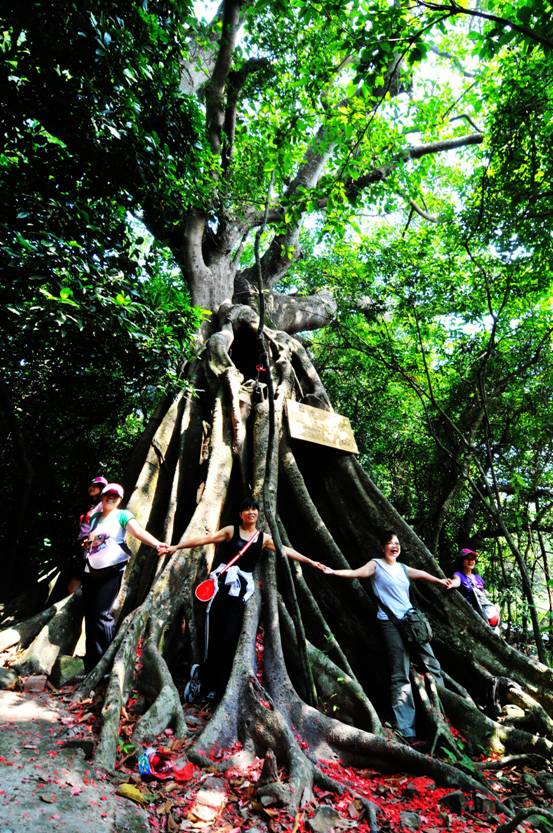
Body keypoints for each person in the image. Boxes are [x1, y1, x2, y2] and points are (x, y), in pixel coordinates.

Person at [161, 497, 322, 703]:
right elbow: (205, 539)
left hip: (241, 592)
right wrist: (176, 547)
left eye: (254, 509)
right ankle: (201, 679)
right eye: (246, 509)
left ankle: (218, 688)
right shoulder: (231, 531)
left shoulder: (263, 538)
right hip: (222, 588)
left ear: (258, 514)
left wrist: (309, 561)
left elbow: (285, 550)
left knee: (230, 639)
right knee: (215, 637)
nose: (251, 512)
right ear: (241, 514)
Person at [318, 530, 454, 748]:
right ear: (383, 547)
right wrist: (334, 572)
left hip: (412, 622)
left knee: (432, 664)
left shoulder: (402, 568)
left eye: (397, 543)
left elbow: (421, 574)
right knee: (401, 673)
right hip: (390, 623)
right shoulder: (376, 565)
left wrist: (440, 581)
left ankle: (445, 718)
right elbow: (356, 573)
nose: (394, 546)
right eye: (390, 543)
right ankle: (407, 730)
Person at [82, 482, 167, 672]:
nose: (110, 498)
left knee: (102, 615)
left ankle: (104, 665)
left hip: (111, 570)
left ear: (120, 499)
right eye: (107, 495)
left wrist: (157, 545)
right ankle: (90, 665)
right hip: (91, 569)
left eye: (115, 496)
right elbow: (90, 540)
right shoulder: (95, 517)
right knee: (89, 615)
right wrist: (88, 543)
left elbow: (138, 532)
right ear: (102, 497)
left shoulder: (123, 515)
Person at [67, 475, 108, 595]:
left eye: (96, 486)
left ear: (102, 489)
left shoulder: (103, 505)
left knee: (80, 577)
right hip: (81, 543)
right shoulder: (91, 506)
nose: (92, 488)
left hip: (90, 544)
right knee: (75, 577)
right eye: (91, 485)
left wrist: (92, 542)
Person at [450, 548, 500, 631]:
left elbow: (482, 596)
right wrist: (451, 583)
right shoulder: (458, 574)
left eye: (473, 559)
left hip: (484, 615)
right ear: (461, 561)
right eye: (467, 559)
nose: (471, 561)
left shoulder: (478, 577)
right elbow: (456, 581)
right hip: (469, 614)